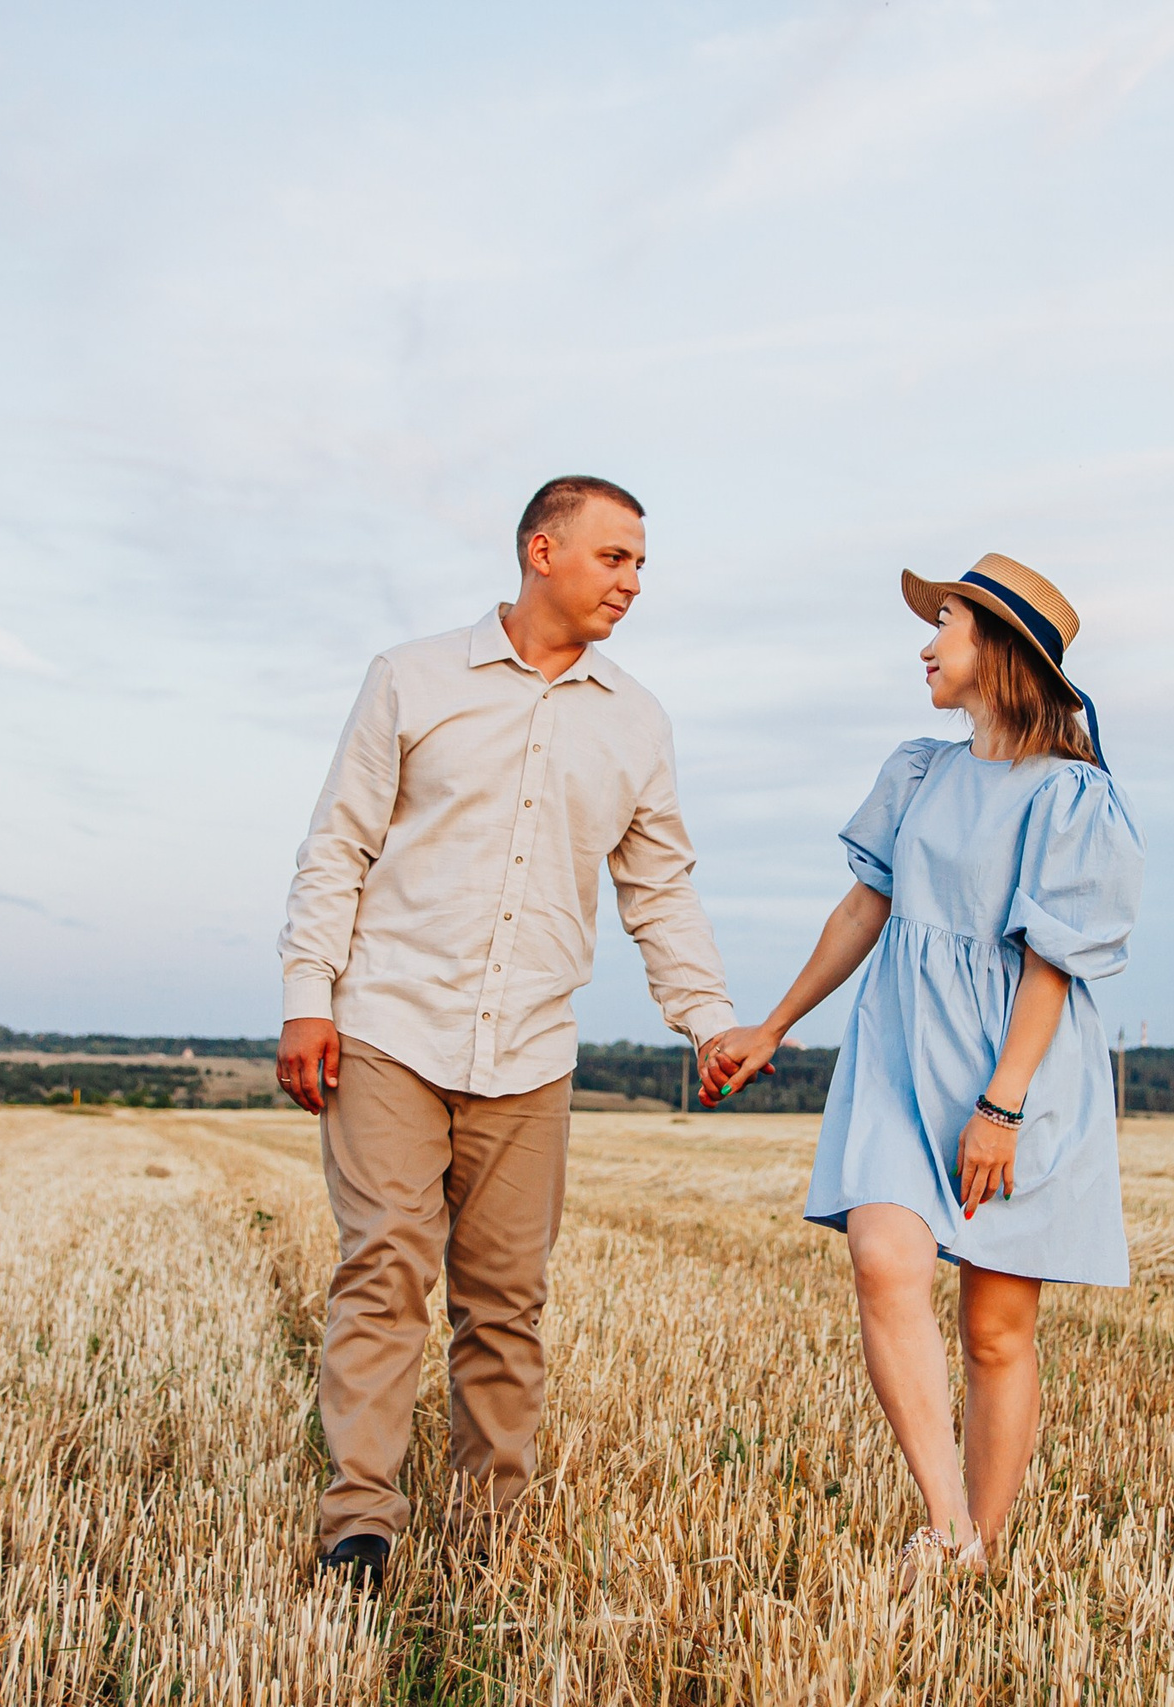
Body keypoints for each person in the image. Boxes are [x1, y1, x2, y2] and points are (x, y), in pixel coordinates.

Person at [277, 476, 738, 1593]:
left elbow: (659, 891)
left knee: (505, 1306)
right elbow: (337, 844)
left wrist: (707, 1019)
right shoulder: (412, 677)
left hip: (530, 1047)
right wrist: (307, 995)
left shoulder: (636, 720)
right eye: (615, 557)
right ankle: (362, 1529)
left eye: (639, 563)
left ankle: (490, 1535)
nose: (634, 581)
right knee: (383, 1270)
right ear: (543, 549)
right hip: (389, 1023)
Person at [702, 553, 1142, 1587]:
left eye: (943, 622)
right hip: (902, 1057)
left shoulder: (1074, 799)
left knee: (995, 1329)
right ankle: (945, 1526)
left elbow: (1049, 963)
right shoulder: (916, 769)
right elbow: (867, 907)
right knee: (882, 1255)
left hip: (1014, 1073)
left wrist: (1001, 1106)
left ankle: (977, 1550)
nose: (924, 644)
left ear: (997, 648)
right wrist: (773, 1024)